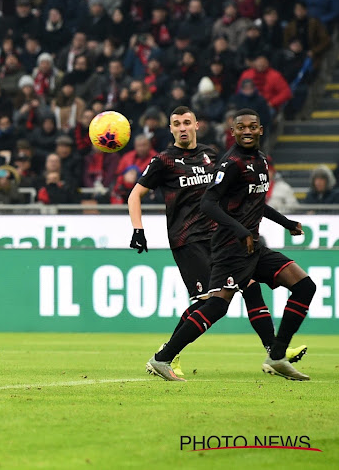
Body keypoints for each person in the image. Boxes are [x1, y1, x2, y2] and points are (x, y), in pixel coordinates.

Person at [128, 106, 306, 377]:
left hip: (219, 237)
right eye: (177, 124)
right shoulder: (163, 161)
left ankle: (274, 351)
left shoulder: (212, 156)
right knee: (208, 302)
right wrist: (138, 230)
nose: (183, 127)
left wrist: (280, 222)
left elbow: (239, 197)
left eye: (187, 122)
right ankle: (168, 355)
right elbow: (134, 195)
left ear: (196, 125)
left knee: (250, 287)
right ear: (171, 129)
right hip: (188, 240)